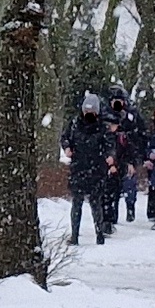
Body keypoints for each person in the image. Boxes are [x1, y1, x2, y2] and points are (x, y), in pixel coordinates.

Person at [60, 93, 116, 245]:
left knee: (96, 203)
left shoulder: (103, 127)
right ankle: (74, 236)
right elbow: (65, 138)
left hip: (96, 169)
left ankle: (99, 234)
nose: (88, 114)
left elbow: (110, 144)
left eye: (91, 111)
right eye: (86, 111)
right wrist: (67, 147)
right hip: (78, 168)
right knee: (76, 203)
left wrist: (110, 156)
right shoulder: (74, 124)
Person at [107, 89, 147, 223]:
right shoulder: (106, 115)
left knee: (129, 185)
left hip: (128, 155)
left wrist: (135, 159)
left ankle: (130, 208)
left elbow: (139, 137)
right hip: (112, 155)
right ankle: (112, 216)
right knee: (112, 188)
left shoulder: (132, 116)